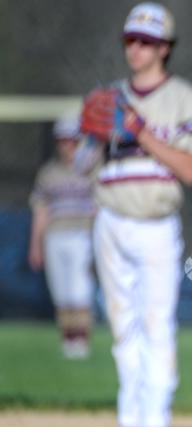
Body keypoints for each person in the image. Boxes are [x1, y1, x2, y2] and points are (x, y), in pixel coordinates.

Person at [84, 2, 192, 427]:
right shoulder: (109, 96)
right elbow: (84, 165)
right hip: (111, 218)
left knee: (156, 322)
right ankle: (128, 423)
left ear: (166, 47)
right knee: (121, 325)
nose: (136, 48)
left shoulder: (184, 99)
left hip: (156, 223)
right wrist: (87, 136)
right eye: (130, 40)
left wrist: (140, 131)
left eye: (147, 41)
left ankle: (155, 424)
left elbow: (190, 169)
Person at [28, 113, 98, 359]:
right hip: (55, 236)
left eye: (73, 140)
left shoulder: (93, 169)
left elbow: (101, 208)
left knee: (80, 292)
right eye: (63, 140)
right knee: (62, 294)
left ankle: (81, 346)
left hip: (82, 235)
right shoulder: (49, 173)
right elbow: (40, 211)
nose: (68, 145)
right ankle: (69, 346)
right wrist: (35, 244)